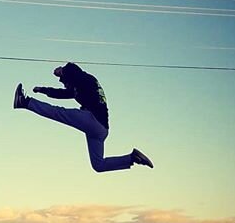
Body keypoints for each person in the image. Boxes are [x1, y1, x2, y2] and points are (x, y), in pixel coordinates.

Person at [13, 62, 153, 172]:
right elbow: (62, 94)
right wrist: (43, 90)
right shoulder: (81, 88)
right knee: (98, 165)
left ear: (70, 78)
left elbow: (74, 70)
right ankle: (132, 158)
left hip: (93, 119)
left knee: (58, 113)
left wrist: (62, 71)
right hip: (100, 130)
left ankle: (25, 102)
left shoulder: (85, 80)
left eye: (64, 81)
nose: (64, 84)